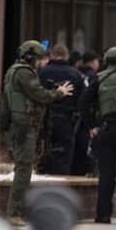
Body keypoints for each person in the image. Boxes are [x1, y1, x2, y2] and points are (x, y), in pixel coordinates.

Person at [4, 40, 73, 226]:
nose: (41, 62)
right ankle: (14, 213)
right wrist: (58, 92)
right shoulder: (24, 72)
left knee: (22, 169)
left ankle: (16, 212)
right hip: (23, 126)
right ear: (29, 57)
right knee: (24, 170)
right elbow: (39, 94)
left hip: (20, 125)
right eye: (38, 58)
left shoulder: (14, 70)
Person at [78, 46, 116, 223]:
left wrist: (93, 125)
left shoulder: (99, 78)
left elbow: (83, 103)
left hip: (106, 129)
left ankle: (102, 214)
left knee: (106, 174)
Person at [38, 44, 85, 175]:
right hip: (67, 119)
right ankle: (59, 185)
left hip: (43, 119)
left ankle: (41, 180)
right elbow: (83, 99)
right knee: (64, 153)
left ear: (51, 56)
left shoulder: (41, 72)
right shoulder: (76, 74)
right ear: (67, 57)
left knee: (43, 152)